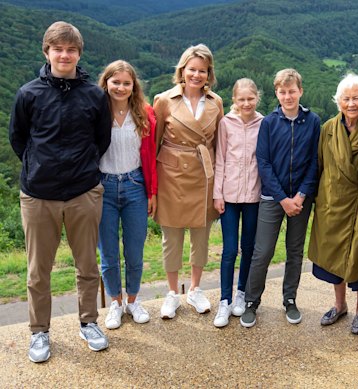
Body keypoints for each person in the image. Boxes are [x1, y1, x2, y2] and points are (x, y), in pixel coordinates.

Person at [9, 21, 112, 363]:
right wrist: (41, 167)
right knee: (39, 270)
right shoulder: (28, 94)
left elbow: (102, 140)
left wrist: (84, 173)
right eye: (58, 49)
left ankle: (89, 322)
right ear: (47, 52)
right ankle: (39, 332)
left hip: (83, 191)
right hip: (39, 195)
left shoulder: (95, 96)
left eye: (71, 49)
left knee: (87, 264)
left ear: (79, 53)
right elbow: (19, 140)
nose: (64, 55)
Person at [240, 68, 321, 328]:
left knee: (295, 251)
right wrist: (282, 198)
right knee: (262, 252)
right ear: (277, 92)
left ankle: (290, 299)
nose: (288, 96)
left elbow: (313, 163)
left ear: (300, 91)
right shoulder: (269, 122)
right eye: (282, 92)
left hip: (301, 199)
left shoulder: (313, 121)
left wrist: (300, 195)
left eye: (292, 91)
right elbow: (263, 162)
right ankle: (252, 302)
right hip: (272, 198)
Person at [154, 44, 224, 320]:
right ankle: (172, 293)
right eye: (192, 69)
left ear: (209, 74)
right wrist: (152, 189)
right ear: (182, 70)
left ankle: (194, 289)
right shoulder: (164, 101)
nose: (196, 75)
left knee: (200, 238)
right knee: (171, 239)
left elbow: (219, 145)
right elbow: (155, 141)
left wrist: (219, 184)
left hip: (203, 175)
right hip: (170, 176)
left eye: (202, 71)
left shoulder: (215, 103)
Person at [307, 74, 358, 335]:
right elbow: (321, 164)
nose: (351, 103)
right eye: (346, 98)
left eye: (356, 98)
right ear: (338, 102)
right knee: (334, 256)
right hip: (333, 201)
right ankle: (339, 304)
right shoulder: (328, 128)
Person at [97, 60, 157, 330]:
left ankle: (133, 300)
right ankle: (115, 303)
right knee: (108, 253)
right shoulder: (96, 111)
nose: (120, 87)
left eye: (126, 83)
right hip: (103, 186)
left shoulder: (144, 114)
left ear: (134, 86)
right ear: (106, 83)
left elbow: (151, 158)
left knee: (134, 250)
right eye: (115, 82)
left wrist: (152, 192)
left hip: (135, 185)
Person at [212, 78, 263, 328]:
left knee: (249, 248)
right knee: (230, 250)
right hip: (229, 196)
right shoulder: (226, 123)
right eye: (241, 99)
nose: (246, 103)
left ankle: (242, 292)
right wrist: (217, 194)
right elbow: (219, 158)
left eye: (250, 99)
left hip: (254, 196)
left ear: (257, 98)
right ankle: (224, 300)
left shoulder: (263, 123)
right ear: (234, 100)